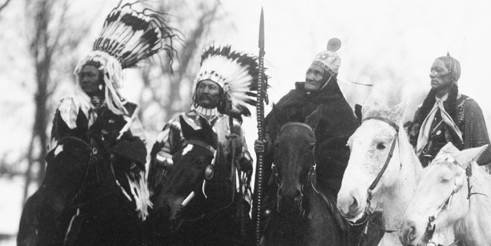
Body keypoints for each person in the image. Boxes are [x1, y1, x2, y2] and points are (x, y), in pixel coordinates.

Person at [29, 2, 176, 246]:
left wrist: (117, 155)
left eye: (91, 74)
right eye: (82, 74)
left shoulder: (126, 114)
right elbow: (65, 141)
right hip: (72, 181)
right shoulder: (70, 106)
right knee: (51, 215)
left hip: (116, 181)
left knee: (144, 222)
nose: (85, 79)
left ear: (105, 77)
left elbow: (138, 149)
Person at [149, 44, 258, 201]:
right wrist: (178, 164)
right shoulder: (178, 123)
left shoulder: (232, 127)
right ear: (196, 90)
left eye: (212, 87)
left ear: (222, 94)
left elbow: (246, 165)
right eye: (202, 86)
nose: (206, 91)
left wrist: (239, 150)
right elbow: (159, 156)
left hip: (219, 198)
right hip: (180, 195)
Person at [256, 38, 359, 200]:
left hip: (322, 186)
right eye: (309, 72)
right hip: (282, 179)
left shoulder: (340, 110)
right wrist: (266, 143)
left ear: (329, 79)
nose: (310, 77)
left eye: (317, 73)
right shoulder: (292, 98)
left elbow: (344, 151)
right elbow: (270, 129)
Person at [406, 54, 491, 173]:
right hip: (421, 177)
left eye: (438, 70)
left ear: (453, 75)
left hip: (452, 179)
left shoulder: (468, 107)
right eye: (431, 70)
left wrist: (454, 162)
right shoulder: (422, 110)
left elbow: (485, 152)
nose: (431, 74)